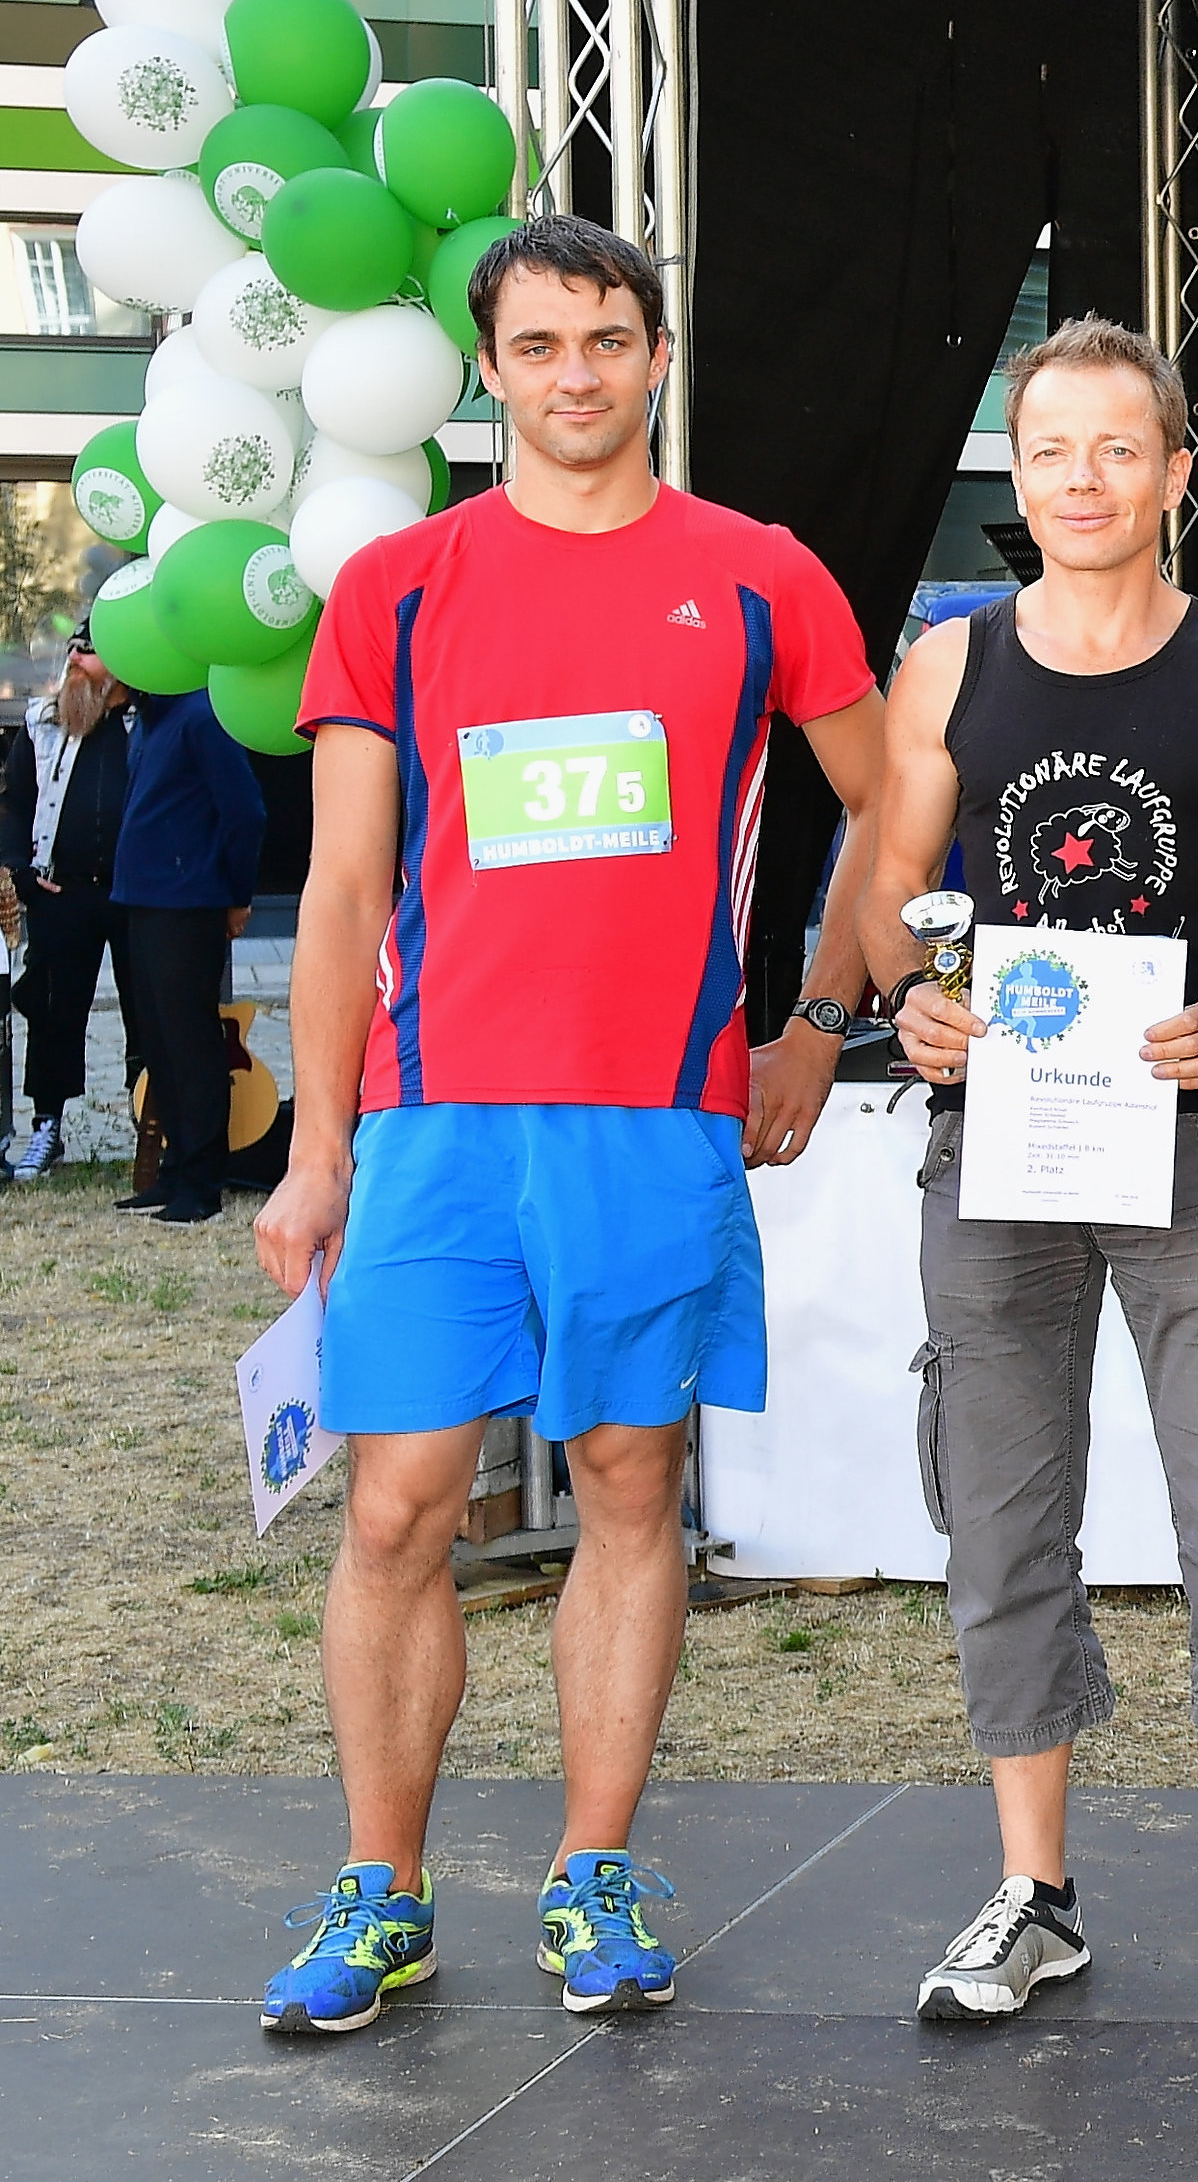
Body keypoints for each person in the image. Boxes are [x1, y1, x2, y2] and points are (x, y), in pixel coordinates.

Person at [254, 215, 886, 2034]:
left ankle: (592, 1874)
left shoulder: (761, 575)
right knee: (397, 1509)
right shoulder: (399, 585)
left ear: (657, 356)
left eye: (607, 341)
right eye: (538, 347)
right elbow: (341, 885)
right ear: (491, 371)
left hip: (655, 1119)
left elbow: (887, 805)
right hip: (440, 1123)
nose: (577, 375)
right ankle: (380, 1890)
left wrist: (819, 1025)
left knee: (628, 1486)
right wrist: (318, 1146)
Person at [863, 318, 1198, 2035]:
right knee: (1002, 1520)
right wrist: (914, 1001)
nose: (1082, 479)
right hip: (990, 1147)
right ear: (1021, 467)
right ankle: (1035, 1891)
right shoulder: (948, 665)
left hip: (1191, 1145)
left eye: (1116, 449)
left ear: (1177, 474)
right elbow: (884, 892)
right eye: (1050, 448)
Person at [111, 678, 265, 1222]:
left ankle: (202, 1185)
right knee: (158, 1039)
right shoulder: (150, 720)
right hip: (142, 899)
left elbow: (245, 811)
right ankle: (173, 1172)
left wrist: (235, 893)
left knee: (191, 1041)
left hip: (187, 902)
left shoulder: (202, 715)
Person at [9, 630, 137, 1177]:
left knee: (149, 1009)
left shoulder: (149, 722)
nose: (75, 661)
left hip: (136, 895)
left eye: (88, 650)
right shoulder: (42, 722)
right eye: (71, 651)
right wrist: (22, 873)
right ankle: (47, 1125)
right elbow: (14, 804)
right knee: (53, 1009)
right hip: (61, 892)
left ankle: (153, 1120)